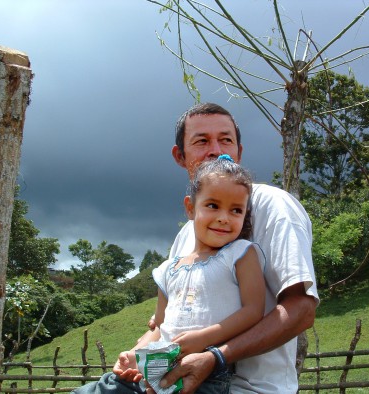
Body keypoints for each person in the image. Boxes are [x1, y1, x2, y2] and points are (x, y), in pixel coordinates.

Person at [75, 102, 319, 393]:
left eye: (226, 139)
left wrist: (215, 356)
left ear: (239, 151)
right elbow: (163, 323)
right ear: (181, 156)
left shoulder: (273, 205)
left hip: (249, 388)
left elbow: (301, 309)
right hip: (169, 378)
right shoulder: (186, 235)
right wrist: (135, 353)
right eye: (202, 141)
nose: (216, 149)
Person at [74, 156, 266, 394]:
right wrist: (135, 353)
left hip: (206, 374)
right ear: (190, 208)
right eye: (213, 205)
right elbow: (161, 326)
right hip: (156, 367)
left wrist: (202, 339)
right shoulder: (168, 269)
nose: (224, 217)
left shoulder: (240, 254)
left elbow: (254, 310)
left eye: (236, 210)